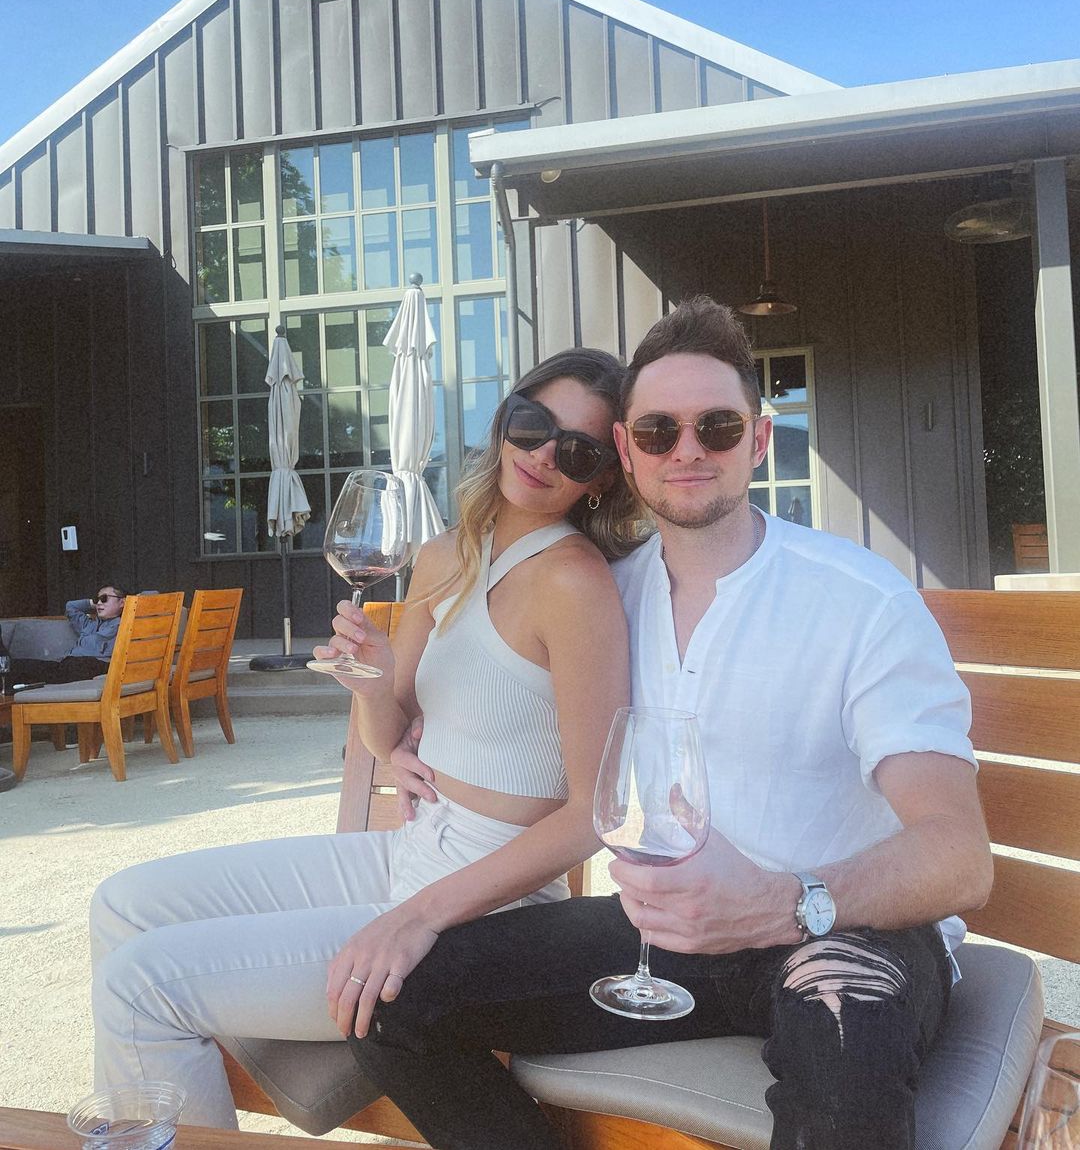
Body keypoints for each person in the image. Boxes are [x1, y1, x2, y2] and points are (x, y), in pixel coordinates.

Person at [345, 296, 993, 1150]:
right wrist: (399, 734)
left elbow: (959, 856)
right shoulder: (605, 597)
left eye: (717, 428)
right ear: (626, 451)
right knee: (392, 1003)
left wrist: (783, 904)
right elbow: (499, 716)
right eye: (658, 431)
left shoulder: (860, 602)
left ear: (758, 441)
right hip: (664, 935)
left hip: (840, 929)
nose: (686, 450)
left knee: (844, 1037)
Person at [88, 347, 641, 1129]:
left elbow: (593, 814)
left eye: (577, 451)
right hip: (409, 851)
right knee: (121, 906)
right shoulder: (446, 554)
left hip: (489, 907)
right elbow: (389, 737)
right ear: (504, 421)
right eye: (532, 424)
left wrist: (419, 917)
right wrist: (375, 684)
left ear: (602, 478)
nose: (544, 455)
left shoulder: (574, 584)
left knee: (139, 985)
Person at [9, 585, 131, 686]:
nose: (99, 602)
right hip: (71, 663)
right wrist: (92, 603)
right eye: (97, 599)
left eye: (104, 598)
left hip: (96, 664)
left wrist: (129, 604)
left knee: (38, 672)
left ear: (122, 602)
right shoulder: (88, 625)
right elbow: (71, 607)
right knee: (16, 666)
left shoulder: (124, 625)